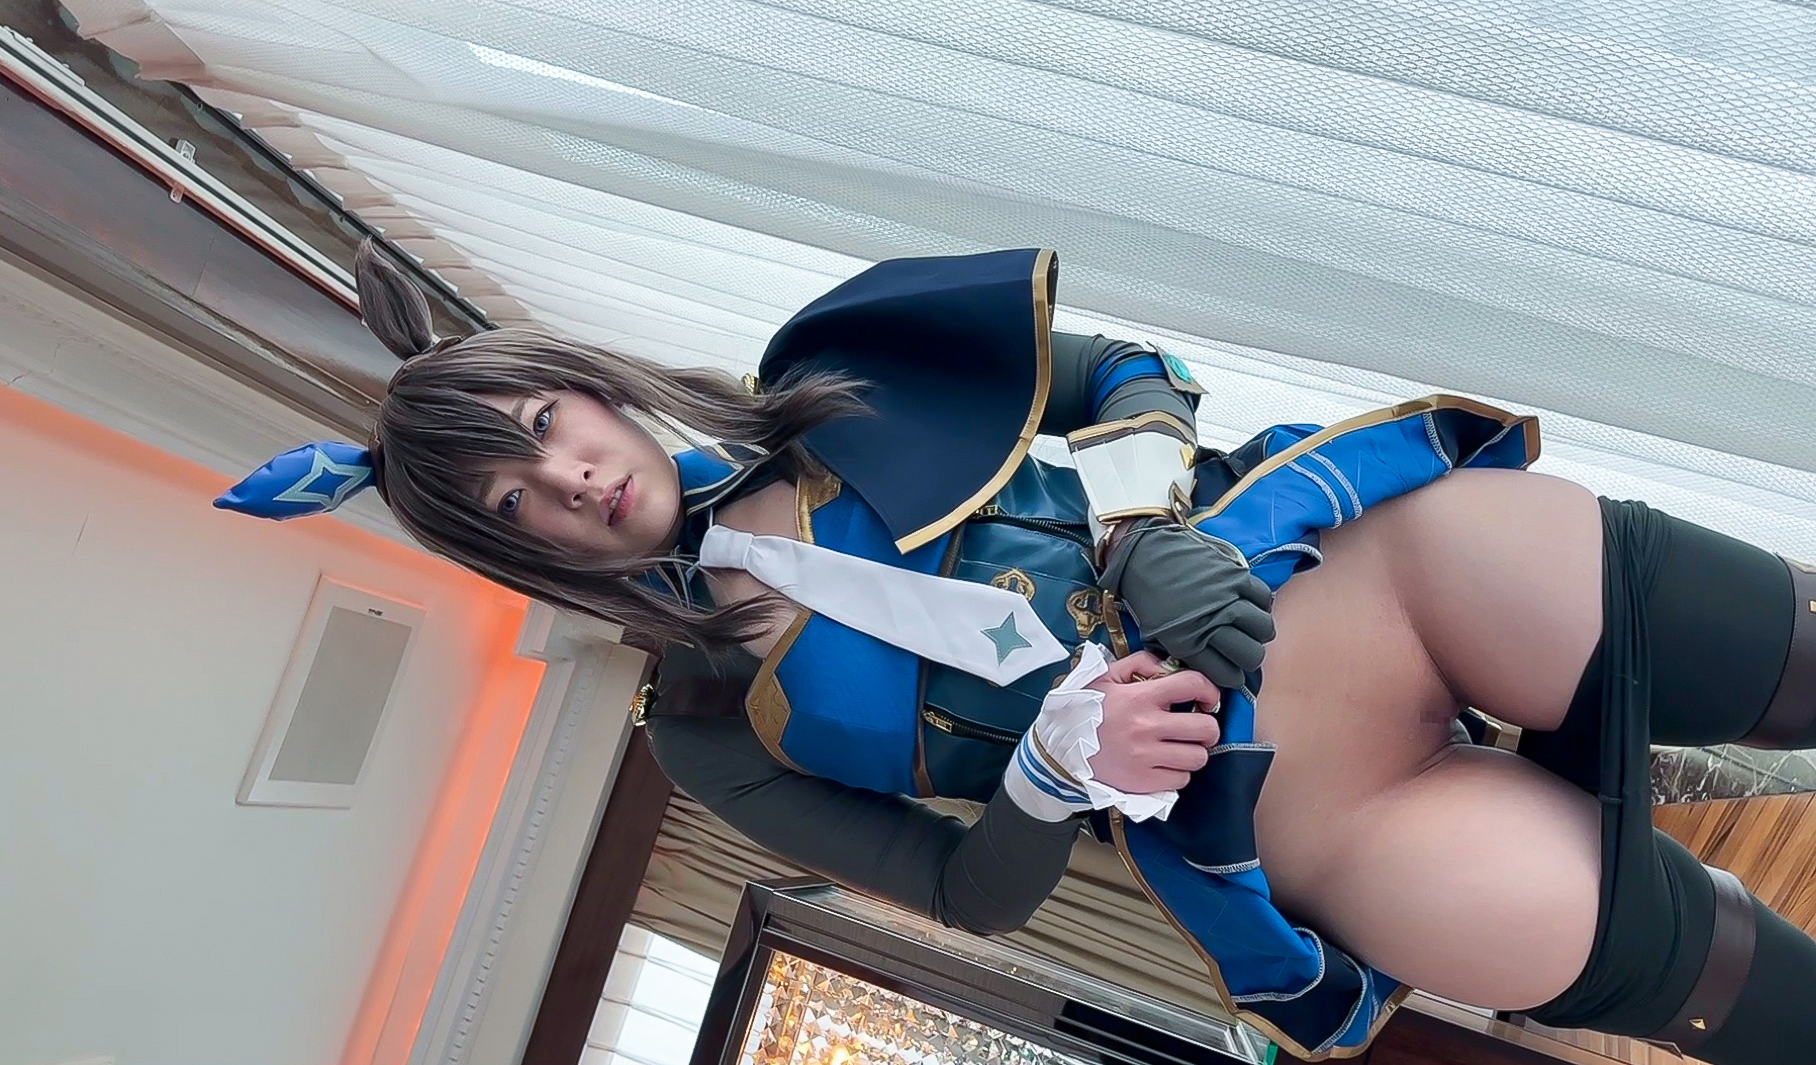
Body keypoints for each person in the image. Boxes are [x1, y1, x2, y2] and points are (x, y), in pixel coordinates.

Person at [219, 243, 1816, 1064]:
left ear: (576, 382)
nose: (569, 477)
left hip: (1361, 578)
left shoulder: (842, 366)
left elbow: (1129, 368)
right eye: (516, 501)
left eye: (539, 422)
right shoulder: (702, 729)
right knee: (1763, 1002)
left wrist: (1142, 520)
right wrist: (1053, 773)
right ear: (518, 549)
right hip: (1304, 819)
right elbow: (973, 895)